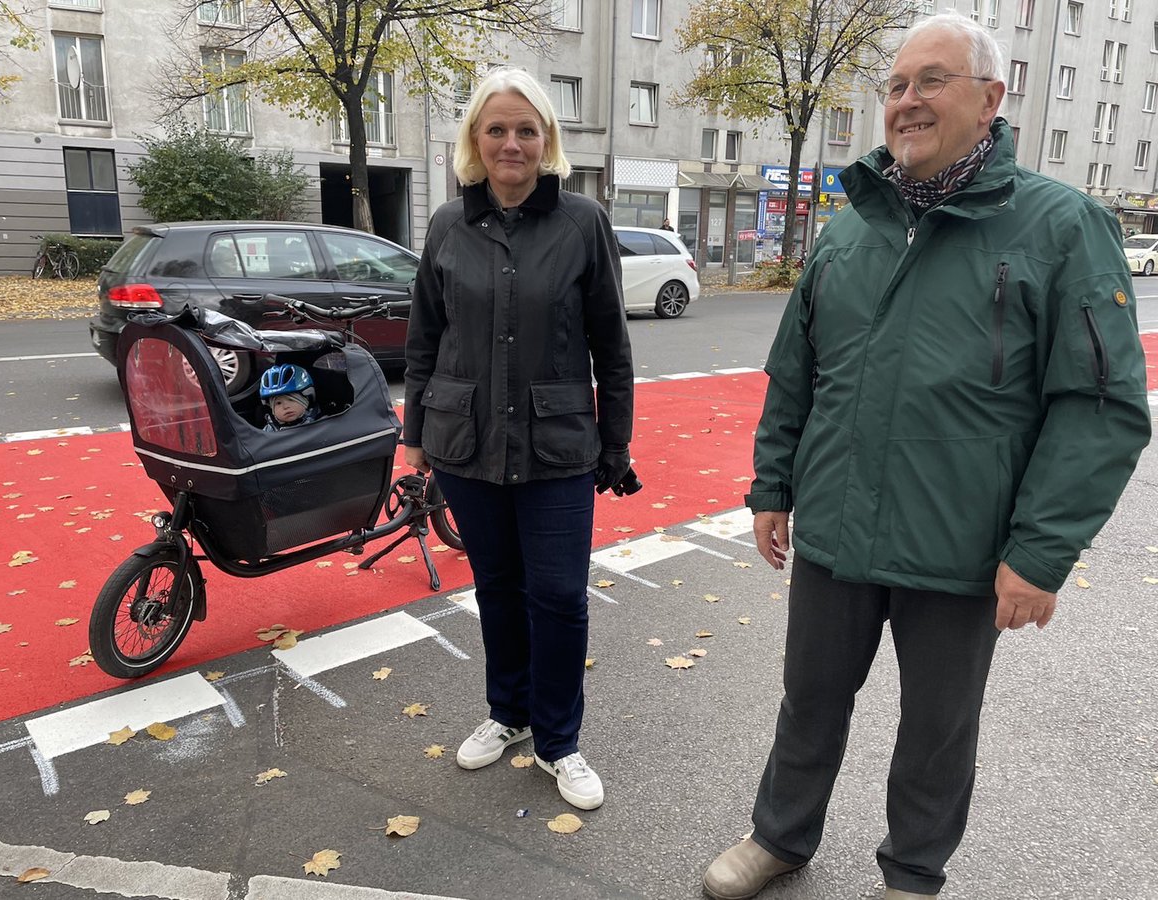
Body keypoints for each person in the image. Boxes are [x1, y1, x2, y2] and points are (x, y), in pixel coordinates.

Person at [703, 13, 1150, 900]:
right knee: (809, 702)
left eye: (931, 81)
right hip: (834, 527)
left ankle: (912, 873)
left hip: (963, 546)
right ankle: (780, 837)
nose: (907, 101)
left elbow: (1098, 408)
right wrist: (772, 486)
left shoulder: (1063, 227)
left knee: (938, 728)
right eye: (898, 86)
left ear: (990, 99)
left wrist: (1041, 551)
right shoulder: (849, 229)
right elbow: (796, 373)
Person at [402, 67, 634, 811]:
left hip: (559, 445)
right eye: (496, 129)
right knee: (496, 588)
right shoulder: (446, 225)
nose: (511, 143)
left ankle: (559, 741)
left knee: (559, 597)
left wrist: (616, 445)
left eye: (526, 130)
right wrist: (414, 440)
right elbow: (423, 339)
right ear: (476, 138)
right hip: (465, 444)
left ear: (547, 141)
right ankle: (508, 714)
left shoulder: (583, 223)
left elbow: (612, 343)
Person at [259, 364, 321, 431]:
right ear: (272, 409)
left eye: (291, 400)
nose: (286, 406)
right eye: (278, 403)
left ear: (306, 400)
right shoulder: (268, 432)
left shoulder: (322, 425)